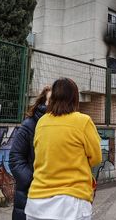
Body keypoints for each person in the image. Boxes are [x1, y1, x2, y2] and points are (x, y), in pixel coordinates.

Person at [25, 78, 102, 220]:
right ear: (75, 98)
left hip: (36, 202)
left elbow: (40, 153)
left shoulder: (42, 122)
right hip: (71, 204)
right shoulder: (83, 121)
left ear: (52, 97)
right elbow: (96, 158)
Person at [9, 86, 51, 220]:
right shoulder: (29, 125)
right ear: (43, 102)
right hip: (30, 192)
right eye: (51, 100)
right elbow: (15, 158)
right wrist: (34, 180)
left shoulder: (64, 125)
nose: (54, 104)